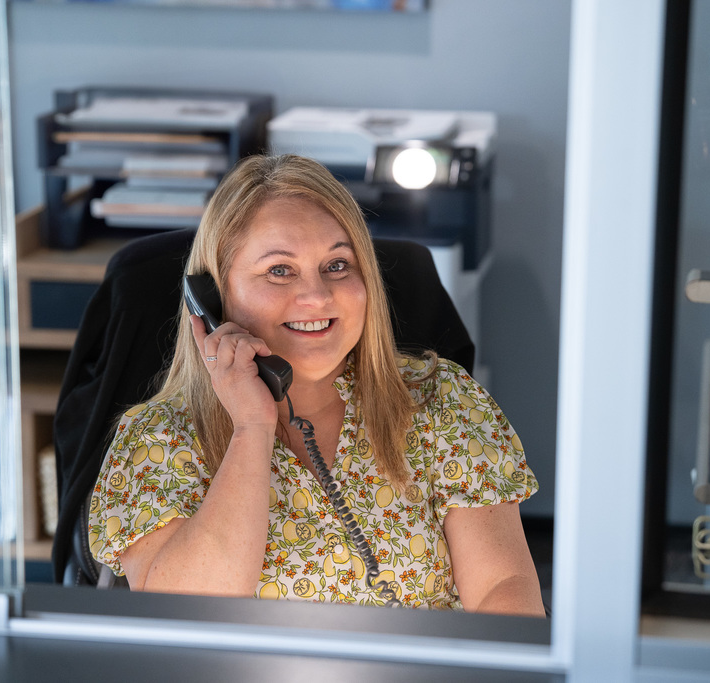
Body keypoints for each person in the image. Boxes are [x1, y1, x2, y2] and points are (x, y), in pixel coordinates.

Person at [88, 154, 544, 615]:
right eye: (280, 270)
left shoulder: (441, 402)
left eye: (338, 265)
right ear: (212, 297)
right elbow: (187, 621)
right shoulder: (156, 441)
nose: (318, 296)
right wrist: (251, 428)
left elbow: (501, 589)